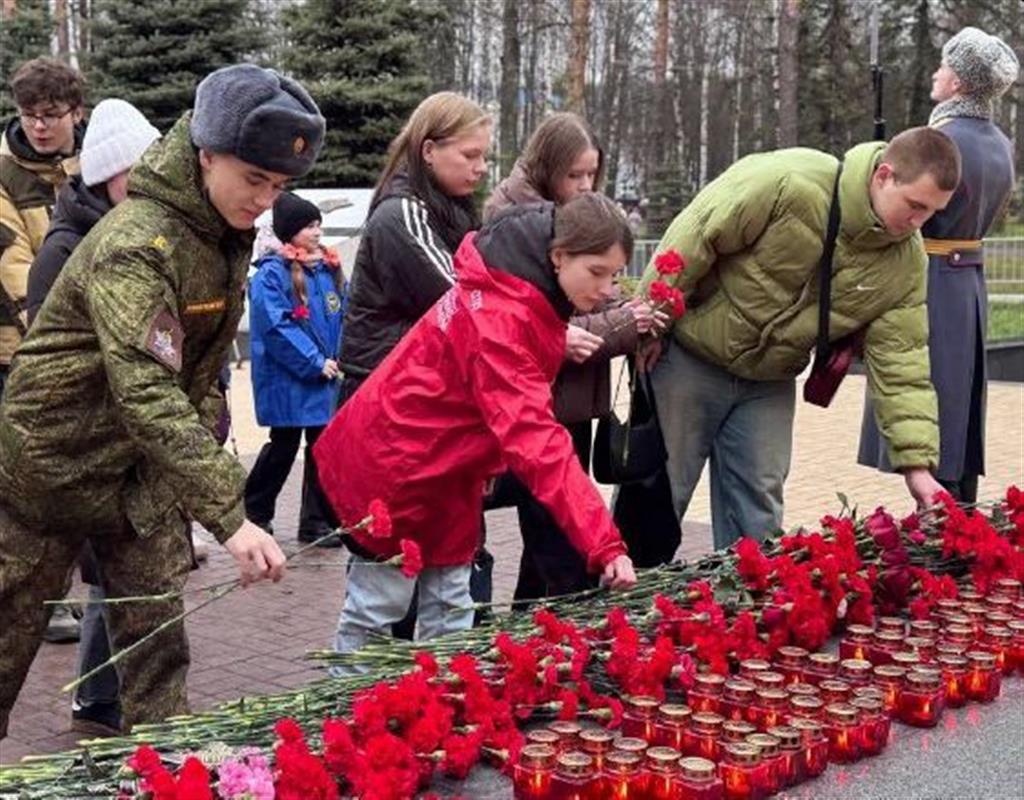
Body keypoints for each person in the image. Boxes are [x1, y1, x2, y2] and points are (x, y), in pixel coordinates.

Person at [0, 64, 324, 737]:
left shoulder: (216, 231)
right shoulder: (136, 243)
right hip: (50, 466)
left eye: (280, 185)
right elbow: (146, 387)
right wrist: (230, 515)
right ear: (206, 155)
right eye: (254, 179)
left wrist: (195, 453)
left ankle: (163, 768)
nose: (266, 200)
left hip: (137, 475)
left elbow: (195, 370)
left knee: (156, 648)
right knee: (6, 644)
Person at [314, 193, 638, 670]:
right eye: (597, 272)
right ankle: (344, 716)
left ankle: (444, 705)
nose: (608, 288)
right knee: (378, 607)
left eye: (615, 275)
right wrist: (603, 541)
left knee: (451, 604)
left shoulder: (521, 293)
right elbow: (536, 440)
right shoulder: (502, 317)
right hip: (397, 469)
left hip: (446, 471)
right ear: (559, 256)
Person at [638, 127, 961, 550]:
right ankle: (616, 608)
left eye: (931, 213)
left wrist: (917, 469)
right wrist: (651, 325)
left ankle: (743, 610)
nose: (918, 222)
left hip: (768, 381)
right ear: (884, 176)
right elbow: (693, 237)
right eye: (914, 205)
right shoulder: (788, 182)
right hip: (691, 358)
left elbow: (902, 362)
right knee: (654, 499)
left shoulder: (906, 263)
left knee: (758, 515)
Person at [483, 112, 665, 603]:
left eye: (592, 175)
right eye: (574, 175)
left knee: (550, 537)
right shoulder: (516, 225)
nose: (585, 186)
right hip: (539, 402)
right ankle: (559, 632)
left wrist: (625, 307)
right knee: (555, 536)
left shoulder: (573, 220)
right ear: (547, 167)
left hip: (573, 400)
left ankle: (532, 626)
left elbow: (580, 311)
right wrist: (627, 323)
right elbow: (542, 331)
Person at [23, 97, 160, 734]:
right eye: (140, 170)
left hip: (121, 434)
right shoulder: (66, 249)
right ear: (109, 174)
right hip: (79, 435)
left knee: (121, 567)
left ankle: (101, 692)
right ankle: (97, 694)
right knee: (103, 567)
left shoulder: (134, 231)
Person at [337, 91, 492, 637]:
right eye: (470, 155)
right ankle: (347, 707)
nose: (480, 168)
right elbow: (461, 302)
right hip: (392, 420)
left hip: (424, 417)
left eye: (484, 157)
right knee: (381, 591)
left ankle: (434, 701)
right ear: (429, 150)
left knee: (448, 586)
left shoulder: (442, 212)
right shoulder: (404, 215)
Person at [859, 28, 1019, 504]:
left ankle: (938, 518)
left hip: (928, 276)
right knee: (961, 408)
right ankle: (958, 511)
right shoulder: (1000, 143)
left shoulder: (940, 140)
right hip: (969, 281)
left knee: (933, 403)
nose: (936, 72)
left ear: (961, 84)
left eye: (945, 66)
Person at [245, 191, 345, 547]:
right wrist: (314, 362)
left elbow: (341, 315)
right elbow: (276, 327)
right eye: (308, 226)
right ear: (289, 232)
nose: (317, 232)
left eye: (318, 224)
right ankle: (255, 513)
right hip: (289, 379)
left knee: (321, 449)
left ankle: (315, 524)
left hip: (324, 377)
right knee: (283, 447)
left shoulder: (327, 270)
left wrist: (339, 356)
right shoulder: (271, 275)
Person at [1, 57, 86, 395]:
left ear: (76, 113)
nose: (38, 126)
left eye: (50, 115)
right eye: (29, 114)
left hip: (93, 340)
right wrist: (56, 343)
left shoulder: (99, 162)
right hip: (21, 349)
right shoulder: (4, 172)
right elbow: (13, 265)